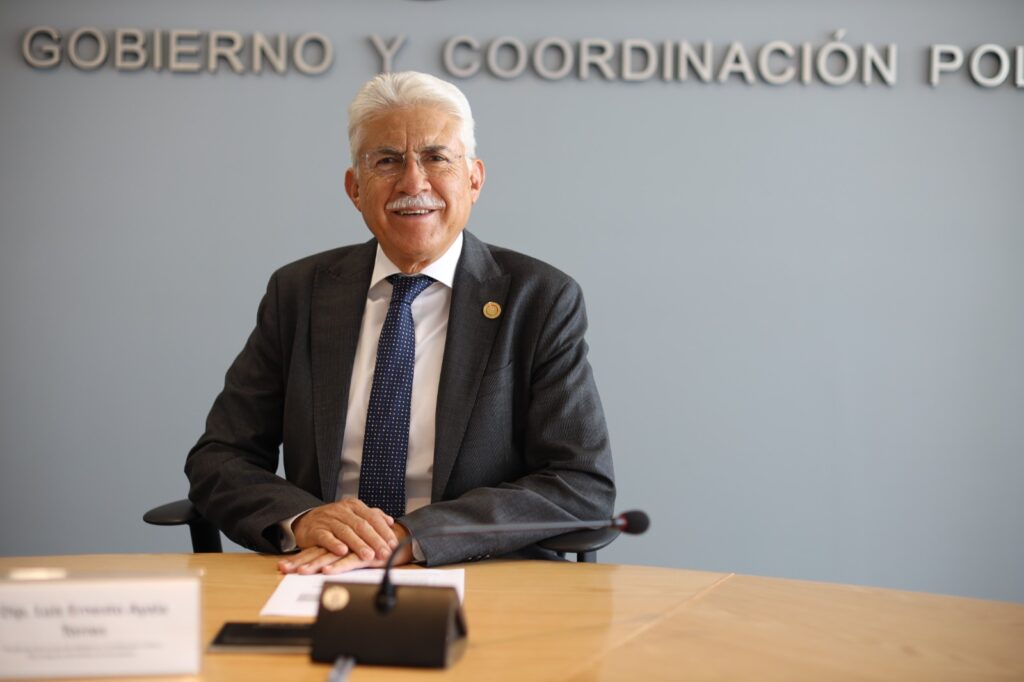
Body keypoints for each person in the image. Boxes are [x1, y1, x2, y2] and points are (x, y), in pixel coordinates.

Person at [185, 71, 614, 575]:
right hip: (318, 570)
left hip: (479, 575)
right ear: (355, 188)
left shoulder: (539, 299)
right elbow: (219, 459)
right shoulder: (298, 293)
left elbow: (580, 482)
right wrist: (303, 520)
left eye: (436, 158)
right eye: (387, 160)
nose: (413, 182)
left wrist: (416, 537)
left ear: (474, 179)